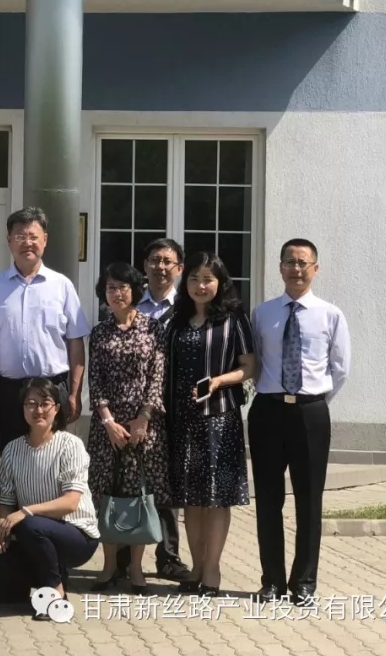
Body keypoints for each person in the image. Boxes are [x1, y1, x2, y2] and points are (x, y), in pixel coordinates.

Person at [250, 239, 350, 607]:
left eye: (303, 263)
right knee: (268, 499)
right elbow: (256, 361)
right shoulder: (263, 313)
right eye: (290, 262)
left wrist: (314, 402)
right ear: (280, 267)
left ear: (315, 269)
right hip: (268, 411)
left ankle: (305, 582)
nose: (296, 269)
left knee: (309, 500)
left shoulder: (330, 314)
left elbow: (340, 368)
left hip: (310, 413)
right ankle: (272, 581)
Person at [165, 252, 256, 597]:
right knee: (190, 498)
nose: (200, 286)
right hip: (182, 421)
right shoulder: (176, 321)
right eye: (194, 278)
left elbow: (249, 367)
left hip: (219, 419)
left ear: (220, 283)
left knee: (217, 498)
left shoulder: (234, 320)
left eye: (208, 279)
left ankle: (213, 568)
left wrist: (218, 381)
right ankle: (197, 565)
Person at [0, 378, 100, 621]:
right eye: (31, 403)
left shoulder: (70, 445)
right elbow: (5, 501)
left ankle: (56, 596)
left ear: (56, 408)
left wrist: (26, 511)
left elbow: (70, 503)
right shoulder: (12, 450)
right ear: (23, 409)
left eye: (45, 403)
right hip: (34, 533)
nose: (38, 410)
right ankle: (52, 576)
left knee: (31, 525)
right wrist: (3, 530)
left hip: (77, 535)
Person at [0, 207, 90, 456]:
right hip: (10, 392)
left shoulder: (62, 286)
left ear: (45, 240)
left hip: (52, 388)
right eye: (20, 236)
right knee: (11, 459)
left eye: (33, 236)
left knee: (52, 460)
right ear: (9, 241)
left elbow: (75, 342)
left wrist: (74, 393)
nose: (27, 243)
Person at [87, 262, 170, 595]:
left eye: (122, 287)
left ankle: (136, 568)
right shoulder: (100, 332)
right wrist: (108, 421)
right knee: (106, 493)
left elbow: (157, 376)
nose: (116, 293)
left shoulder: (153, 329)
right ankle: (109, 566)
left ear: (135, 290)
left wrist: (144, 418)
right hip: (107, 427)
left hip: (143, 426)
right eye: (110, 287)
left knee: (139, 495)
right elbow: (95, 379)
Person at [117, 238, 192, 584]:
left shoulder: (188, 308)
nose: (160, 267)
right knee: (126, 481)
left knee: (165, 484)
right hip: (132, 409)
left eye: (167, 261)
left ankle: (168, 556)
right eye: (154, 260)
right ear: (145, 266)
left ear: (179, 268)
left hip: (175, 407)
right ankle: (122, 556)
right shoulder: (131, 305)